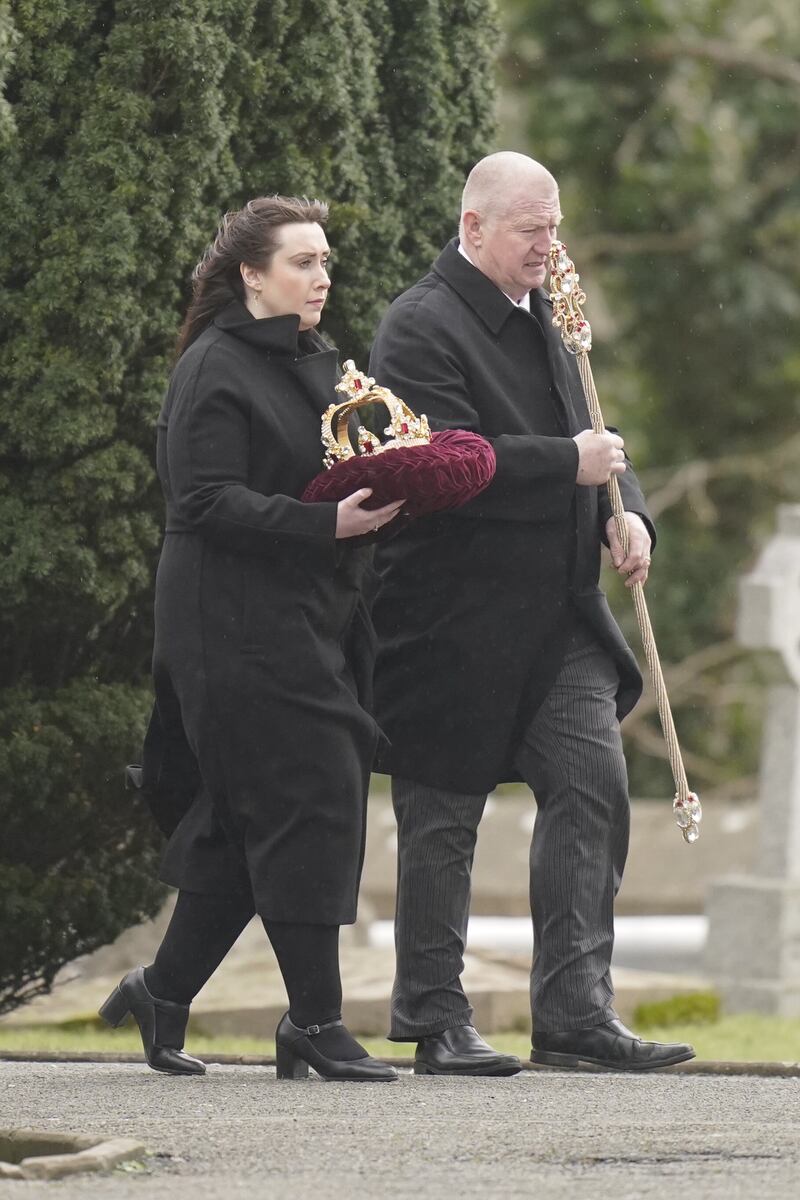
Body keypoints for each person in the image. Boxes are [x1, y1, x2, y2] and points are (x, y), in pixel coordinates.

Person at [369, 152, 695, 1075]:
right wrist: (575, 469)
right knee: (442, 814)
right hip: (448, 618)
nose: (549, 248)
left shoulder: (549, 312)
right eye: (529, 231)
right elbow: (447, 464)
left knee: (593, 785)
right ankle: (435, 1019)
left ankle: (574, 1013)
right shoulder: (417, 326)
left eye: (555, 229)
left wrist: (625, 510)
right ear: (473, 228)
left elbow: (598, 430)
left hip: (559, 617)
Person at [99, 195, 402, 1082]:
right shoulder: (214, 368)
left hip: (305, 611)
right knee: (312, 785)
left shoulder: (320, 360)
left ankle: (162, 991)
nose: (322, 276)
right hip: (224, 621)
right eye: (302, 262)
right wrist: (328, 528)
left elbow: (332, 471)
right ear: (252, 276)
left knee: (249, 820)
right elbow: (201, 502)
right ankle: (315, 1020)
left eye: (324, 260)